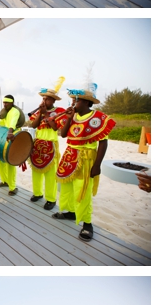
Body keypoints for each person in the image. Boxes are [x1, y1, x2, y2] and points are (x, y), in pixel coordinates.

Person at [52, 81, 115, 242]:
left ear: (86, 102)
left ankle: (87, 224)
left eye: (76, 100)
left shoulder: (99, 118)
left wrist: (97, 165)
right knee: (67, 188)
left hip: (86, 158)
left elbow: (103, 142)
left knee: (83, 190)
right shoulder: (73, 116)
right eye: (73, 100)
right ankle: (71, 212)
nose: (73, 103)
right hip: (69, 156)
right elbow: (63, 134)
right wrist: (69, 118)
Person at [28, 79, 66, 210]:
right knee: (36, 170)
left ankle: (51, 199)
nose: (44, 101)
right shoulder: (38, 111)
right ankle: (37, 193)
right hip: (38, 144)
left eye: (47, 99)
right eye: (43, 98)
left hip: (51, 145)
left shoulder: (60, 111)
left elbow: (56, 127)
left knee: (50, 174)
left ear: (53, 101)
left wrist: (45, 114)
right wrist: (41, 113)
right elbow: (34, 125)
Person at [0, 95, 24, 195]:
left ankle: (13, 187)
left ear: (12, 102)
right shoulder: (5, 112)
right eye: (4, 102)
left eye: (6, 102)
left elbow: (12, 123)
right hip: (4, 137)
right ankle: (5, 181)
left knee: (10, 163)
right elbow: (0, 123)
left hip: (13, 137)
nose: (5, 104)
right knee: (1, 161)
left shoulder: (15, 111)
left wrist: (10, 132)